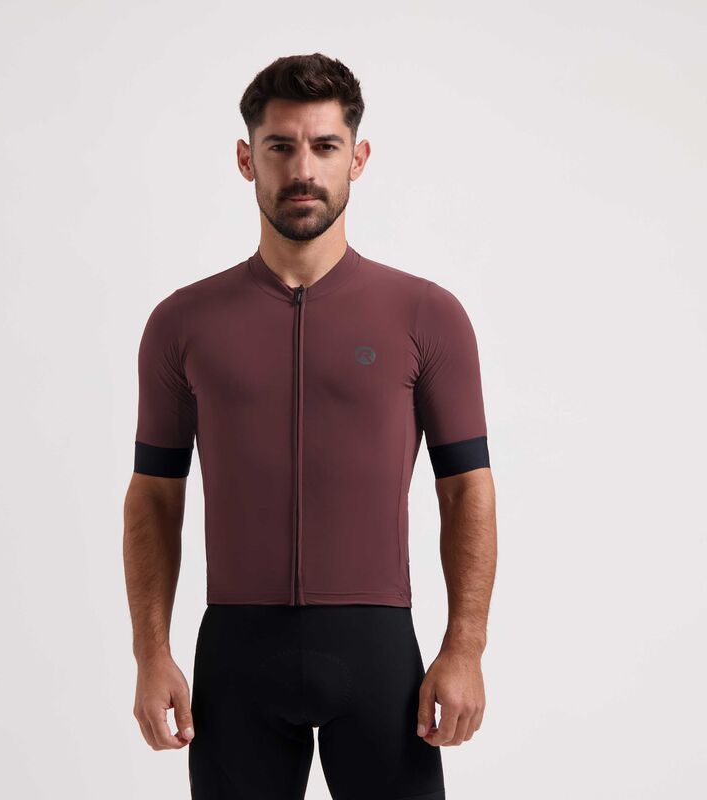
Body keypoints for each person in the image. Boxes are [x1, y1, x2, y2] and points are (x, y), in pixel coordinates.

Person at [123, 52, 497, 800]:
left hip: (377, 656)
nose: (303, 169)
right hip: (237, 656)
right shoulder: (182, 323)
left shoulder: (426, 316)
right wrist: (150, 654)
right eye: (280, 146)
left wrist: (465, 649)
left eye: (325, 146)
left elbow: (467, 489)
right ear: (246, 159)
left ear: (357, 158)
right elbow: (155, 496)